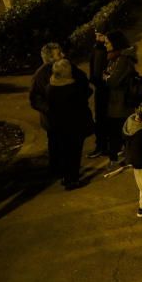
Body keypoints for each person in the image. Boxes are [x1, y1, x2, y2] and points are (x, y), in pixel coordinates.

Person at [46, 58, 93, 190]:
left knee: (64, 152)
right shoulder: (73, 88)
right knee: (74, 153)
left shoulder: (50, 88)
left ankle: (65, 176)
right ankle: (72, 179)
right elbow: (87, 92)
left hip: (58, 126)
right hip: (75, 125)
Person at [29, 42, 67, 176]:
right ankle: (58, 170)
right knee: (56, 144)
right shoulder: (41, 75)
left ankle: (64, 169)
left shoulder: (64, 68)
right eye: (59, 53)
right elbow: (35, 99)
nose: (63, 55)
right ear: (50, 58)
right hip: (53, 119)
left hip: (62, 116)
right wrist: (50, 109)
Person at [103, 30, 138, 168]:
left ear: (115, 43)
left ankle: (121, 157)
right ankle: (123, 155)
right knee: (117, 130)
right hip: (117, 101)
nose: (105, 44)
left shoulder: (122, 60)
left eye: (107, 42)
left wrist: (106, 77)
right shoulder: (115, 58)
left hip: (121, 103)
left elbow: (112, 81)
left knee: (118, 130)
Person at [86, 32, 110, 159]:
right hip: (101, 88)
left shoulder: (103, 50)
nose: (97, 38)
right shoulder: (98, 49)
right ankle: (104, 145)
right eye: (96, 35)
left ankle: (102, 146)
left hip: (104, 89)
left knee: (102, 118)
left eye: (100, 35)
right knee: (101, 117)